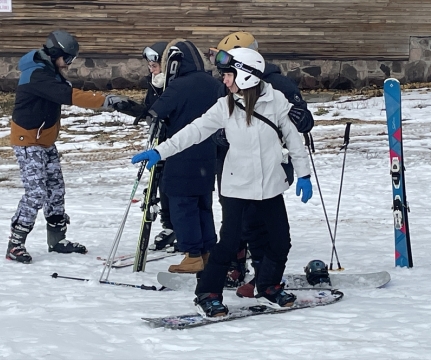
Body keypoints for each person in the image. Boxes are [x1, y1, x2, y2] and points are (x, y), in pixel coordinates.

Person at [132, 48, 313, 317]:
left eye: (229, 75)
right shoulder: (225, 106)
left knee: (280, 242)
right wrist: (160, 152)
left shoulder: (276, 102)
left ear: (248, 76)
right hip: (237, 188)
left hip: (271, 187)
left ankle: (268, 286)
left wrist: (304, 174)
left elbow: (294, 140)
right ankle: (208, 293)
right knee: (228, 245)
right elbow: (193, 132)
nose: (225, 80)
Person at [6, 29, 132, 264]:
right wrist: (106, 101)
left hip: (45, 140)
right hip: (28, 140)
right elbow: (69, 96)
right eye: (69, 58)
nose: (70, 64)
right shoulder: (37, 75)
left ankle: (57, 241)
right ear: (55, 53)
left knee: (56, 190)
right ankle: (15, 244)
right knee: (36, 193)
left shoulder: (50, 71)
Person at [135, 39, 225, 273]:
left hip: (181, 151)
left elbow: (156, 111)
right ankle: (206, 250)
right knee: (203, 204)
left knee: (181, 205)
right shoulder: (213, 83)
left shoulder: (178, 86)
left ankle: (192, 254)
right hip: (208, 153)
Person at [132, 42, 177, 251]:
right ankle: (168, 226)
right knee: (160, 181)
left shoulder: (175, 84)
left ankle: (179, 226)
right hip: (159, 140)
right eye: (150, 66)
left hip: (177, 141)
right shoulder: (153, 84)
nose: (152, 70)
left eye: (156, 66)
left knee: (173, 184)